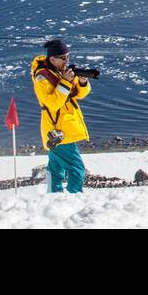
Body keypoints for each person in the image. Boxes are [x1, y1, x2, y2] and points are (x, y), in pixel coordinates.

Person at [31, 39, 93, 193]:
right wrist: (65, 82)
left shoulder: (59, 71)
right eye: (63, 58)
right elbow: (52, 103)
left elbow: (78, 95)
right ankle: (74, 197)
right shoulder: (42, 78)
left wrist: (83, 82)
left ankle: (54, 195)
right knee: (77, 169)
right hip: (59, 129)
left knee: (55, 166)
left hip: (64, 126)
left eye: (68, 57)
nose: (67, 61)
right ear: (52, 59)